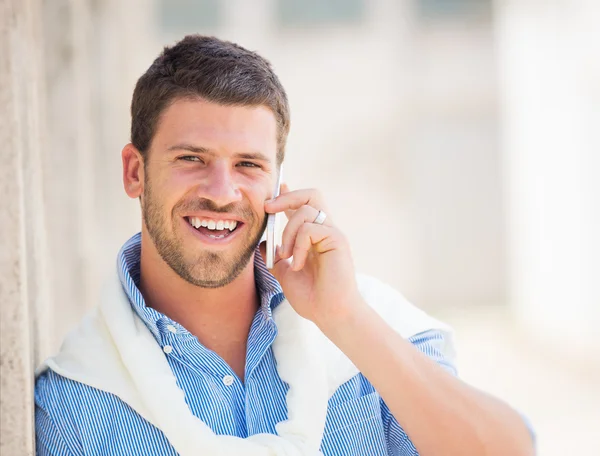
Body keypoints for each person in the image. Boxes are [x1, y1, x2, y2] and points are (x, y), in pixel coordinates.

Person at [35, 35, 534, 456]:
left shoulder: (373, 332)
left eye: (248, 165)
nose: (222, 192)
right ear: (135, 172)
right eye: (192, 158)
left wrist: (344, 320)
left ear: (279, 185)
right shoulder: (77, 399)